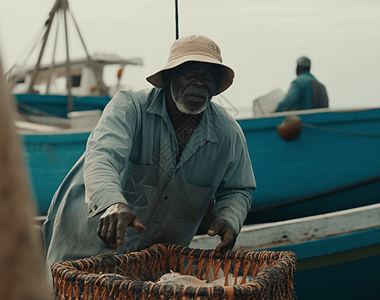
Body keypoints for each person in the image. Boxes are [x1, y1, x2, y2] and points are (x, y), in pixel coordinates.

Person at [42, 35, 256, 268]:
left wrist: (229, 218)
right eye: (190, 73)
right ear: (169, 77)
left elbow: (238, 188)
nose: (199, 83)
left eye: (209, 76)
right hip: (84, 246)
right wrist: (112, 203)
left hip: (153, 263)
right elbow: (102, 158)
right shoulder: (129, 107)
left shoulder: (228, 133)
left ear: (215, 87)